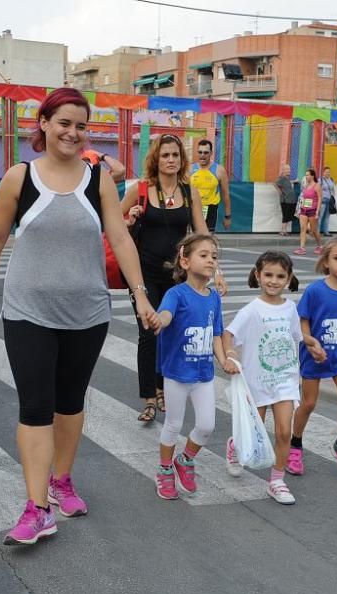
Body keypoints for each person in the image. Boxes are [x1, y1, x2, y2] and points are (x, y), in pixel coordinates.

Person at [0, 87, 159, 545]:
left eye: (81, 125)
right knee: (35, 406)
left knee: (70, 404)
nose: (72, 132)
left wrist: (141, 296)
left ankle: (62, 480)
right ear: (44, 124)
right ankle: (37, 507)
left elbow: (122, 240)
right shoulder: (19, 177)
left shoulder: (99, 180)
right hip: (28, 311)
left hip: (87, 313)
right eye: (64, 123)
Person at [122, 134, 224, 423]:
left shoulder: (189, 190)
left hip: (179, 276)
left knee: (170, 332)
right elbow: (115, 224)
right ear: (156, 158)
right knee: (148, 332)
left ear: (182, 160)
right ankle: (149, 398)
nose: (170, 160)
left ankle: (162, 386)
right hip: (143, 274)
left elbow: (202, 233)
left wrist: (215, 269)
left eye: (175, 156)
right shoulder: (141, 189)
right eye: (165, 155)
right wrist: (130, 218)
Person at [153, 234, 230, 500]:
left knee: (207, 425)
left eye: (214, 256)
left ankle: (185, 460)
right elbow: (166, 314)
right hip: (176, 373)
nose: (211, 260)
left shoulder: (213, 298)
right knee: (173, 424)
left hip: (203, 374)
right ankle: (164, 470)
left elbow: (217, 333)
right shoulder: (176, 294)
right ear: (185, 262)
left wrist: (223, 360)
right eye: (204, 255)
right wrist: (159, 321)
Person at [222, 251, 302, 505]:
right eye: (268, 275)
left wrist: (313, 346)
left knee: (283, 431)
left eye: (280, 276)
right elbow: (228, 334)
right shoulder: (251, 310)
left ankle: (277, 481)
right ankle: (236, 444)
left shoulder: (291, 309)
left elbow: (296, 338)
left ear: (288, 279)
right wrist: (230, 355)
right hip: (256, 380)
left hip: (285, 380)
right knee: (255, 430)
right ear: (258, 276)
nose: (274, 281)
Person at [288, 236, 337, 476]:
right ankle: (295, 445)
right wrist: (311, 343)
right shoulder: (315, 291)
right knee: (309, 403)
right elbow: (302, 324)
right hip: (315, 355)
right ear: (326, 262)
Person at [190, 139, 231, 232]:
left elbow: (226, 194)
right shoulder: (190, 169)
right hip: (194, 208)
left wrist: (228, 216)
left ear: (211, 153)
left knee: (208, 239)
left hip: (210, 209)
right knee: (195, 238)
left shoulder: (219, 170)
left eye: (205, 152)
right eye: (200, 152)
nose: (202, 155)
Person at [294, 169, 323, 256]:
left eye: (308, 175)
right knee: (303, 228)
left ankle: (320, 246)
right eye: (306, 175)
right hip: (304, 209)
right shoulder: (306, 185)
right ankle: (302, 248)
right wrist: (300, 208)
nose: (306, 177)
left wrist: (317, 211)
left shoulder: (317, 186)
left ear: (312, 176)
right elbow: (304, 197)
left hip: (312, 210)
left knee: (314, 230)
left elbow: (320, 199)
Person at [275, 164, 297, 235]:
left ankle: (283, 229)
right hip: (285, 200)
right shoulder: (281, 178)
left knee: (289, 215)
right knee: (286, 215)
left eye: (289, 169)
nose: (289, 171)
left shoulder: (287, 178)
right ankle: (283, 230)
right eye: (287, 169)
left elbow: (287, 183)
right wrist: (279, 191)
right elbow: (275, 183)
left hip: (291, 200)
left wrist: (294, 181)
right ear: (283, 170)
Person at [318, 166, 336, 238]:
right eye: (326, 172)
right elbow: (318, 190)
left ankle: (326, 232)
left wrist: (333, 198)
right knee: (320, 217)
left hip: (329, 201)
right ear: (323, 172)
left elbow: (333, 190)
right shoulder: (320, 180)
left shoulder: (331, 180)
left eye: (329, 172)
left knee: (327, 217)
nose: (327, 173)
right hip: (323, 201)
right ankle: (317, 232)